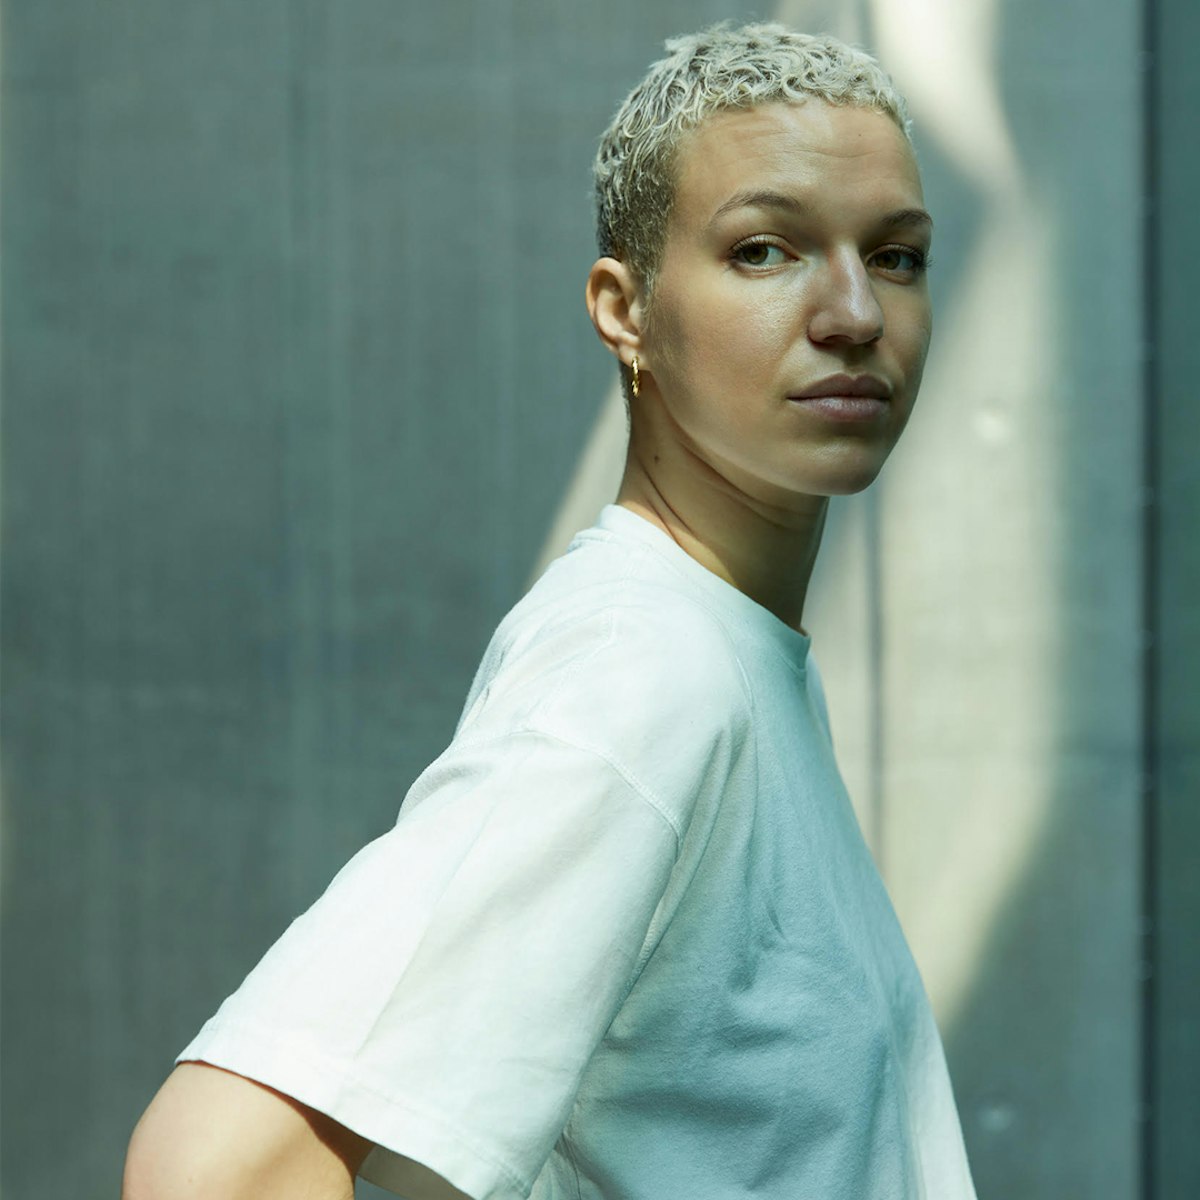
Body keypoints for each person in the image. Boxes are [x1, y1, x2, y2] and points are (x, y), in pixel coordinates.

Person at [123, 22, 977, 1200]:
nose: (854, 312)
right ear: (626, 310)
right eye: (764, 249)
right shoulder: (644, 674)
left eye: (896, 256)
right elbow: (215, 1169)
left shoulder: (728, 651)